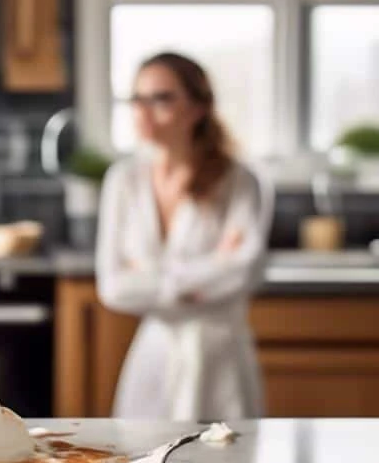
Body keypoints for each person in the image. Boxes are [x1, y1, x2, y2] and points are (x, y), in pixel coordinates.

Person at [96, 52, 273, 421]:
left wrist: (149, 276)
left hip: (219, 359)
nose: (143, 111)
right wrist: (206, 271)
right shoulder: (123, 180)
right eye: (137, 99)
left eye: (161, 99)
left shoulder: (240, 182)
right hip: (153, 354)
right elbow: (112, 286)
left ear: (198, 108)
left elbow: (245, 272)